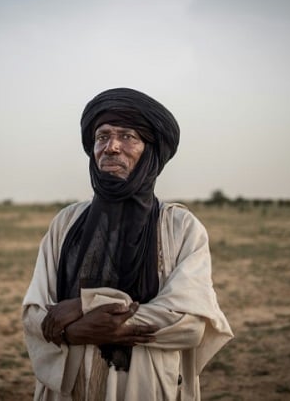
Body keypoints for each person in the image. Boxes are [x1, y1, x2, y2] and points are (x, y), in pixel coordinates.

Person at [22, 87, 233, 400]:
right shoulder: (67, 223)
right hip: (69, 387)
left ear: (150, 151)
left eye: (128, 136)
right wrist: (72, 331)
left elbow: (189, 324)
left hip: (144, 386)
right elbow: (35, 314)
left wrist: (85, 307)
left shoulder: (180, 227)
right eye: (103, 136)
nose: (111, 147)